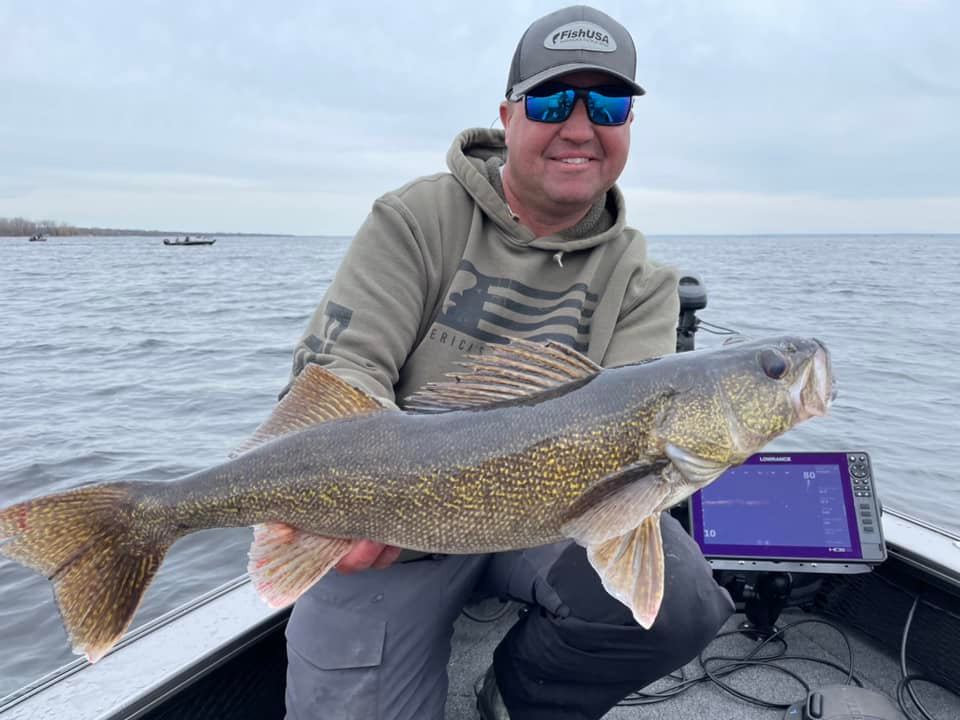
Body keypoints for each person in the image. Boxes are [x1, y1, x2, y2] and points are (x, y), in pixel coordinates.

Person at [282, 6, 734, 720]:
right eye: (554, 100)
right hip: (394, 518)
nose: (580, 127)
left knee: (678, 602)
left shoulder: (644, 282)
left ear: (627, 126)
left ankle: (515, 696)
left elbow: (632, 452)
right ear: (509, 113)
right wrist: (359, 500)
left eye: (608, 104)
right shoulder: (413, 219)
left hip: (550, 518)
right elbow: (344, 371)